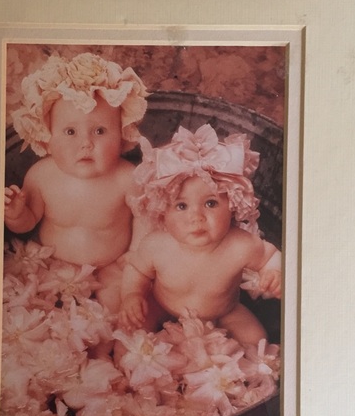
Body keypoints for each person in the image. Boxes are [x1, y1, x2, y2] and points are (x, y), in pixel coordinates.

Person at [5, 52, 149, 312]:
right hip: (52, 265)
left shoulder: (127, 177)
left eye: (100, 131)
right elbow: (28, 222)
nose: (86, 143)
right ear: (48, 138)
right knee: (36, 302)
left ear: (122, 136)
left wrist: (135, 255)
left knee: (120, 303)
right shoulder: (41, 175)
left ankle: (111, 333)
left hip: (111, 265)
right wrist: (15, 215)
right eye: (70, 131)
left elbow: (145, 219)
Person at [119, 124, 281, 346]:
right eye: (181, 206)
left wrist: (274, 272)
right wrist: (133, 295)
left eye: (210, 203)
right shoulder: (156, 245)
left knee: (256, 338)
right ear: (163, 211)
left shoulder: (240, 245)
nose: (196, 217)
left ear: (232, 204)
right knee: (130, 332)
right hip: (162, 306)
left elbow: (269, 257)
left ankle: (248, 365)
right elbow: (137, 270)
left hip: (223, 311)